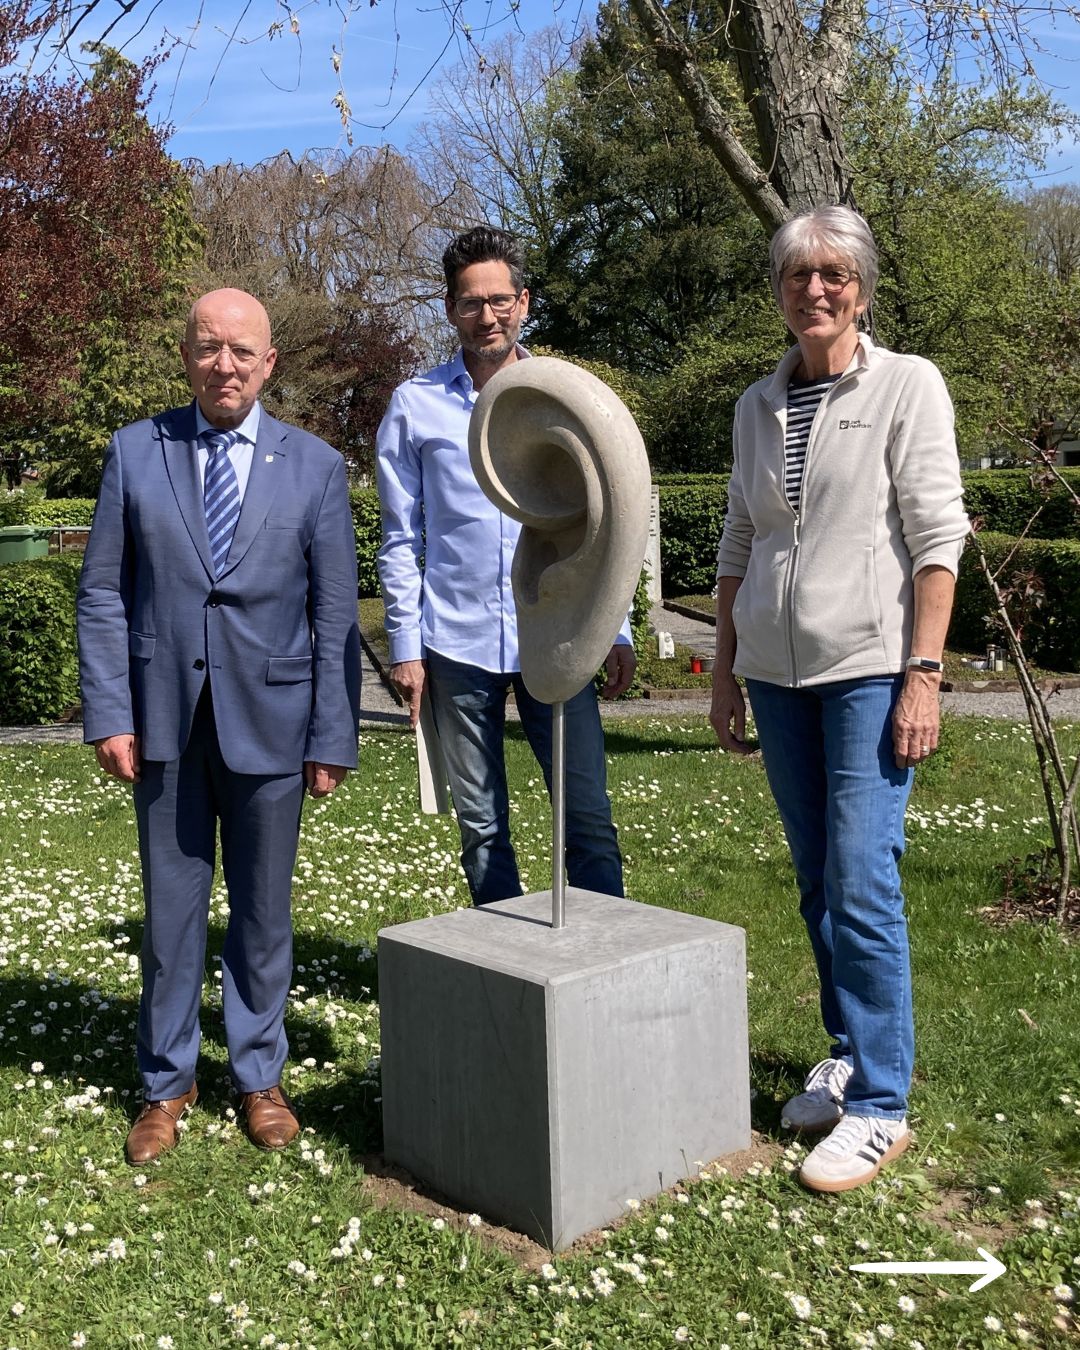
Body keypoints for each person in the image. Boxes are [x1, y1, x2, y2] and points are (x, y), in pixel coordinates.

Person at [710, 206, 968, 1193]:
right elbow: (738, 544)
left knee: (863, 877)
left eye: (834, 274)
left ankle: (882, 1105)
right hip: (777, 676)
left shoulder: (905, 386)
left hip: (870, 670)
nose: (814, 290)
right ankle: (849, 1049)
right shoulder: (756, 405)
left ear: (861, 286)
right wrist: (725, 670)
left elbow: (937, 539)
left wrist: (924, 674)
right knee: (820, 878)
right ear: (778, 290)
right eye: (796, 275)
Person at [77, 288, 361, 1164]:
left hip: (273, 724)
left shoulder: (313, 466)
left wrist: (331, 732)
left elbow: (335, 607)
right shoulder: (136, 452)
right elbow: (101, 594)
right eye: (208, 348)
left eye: (242, 351)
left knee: (264, 915)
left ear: (270, 362)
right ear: (188, 356)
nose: (225, 365)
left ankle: (258, 1076)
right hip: (163, 723)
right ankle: (165, 1085)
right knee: (171, 918)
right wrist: (110, 711)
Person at [375, 226, 634, 906]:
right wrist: (406, 648)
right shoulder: (415, 406)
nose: (486, 316)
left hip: (559, 632)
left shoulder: (565, 397)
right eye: (470, 302)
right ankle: (506, 979)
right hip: (456, 643)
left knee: (587, 819)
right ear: (449, 309)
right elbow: (401, 538)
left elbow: (605, 518)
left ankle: (602, 969)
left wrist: (619, 626)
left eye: (499, 300)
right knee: (482, 829)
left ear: (524, 302)